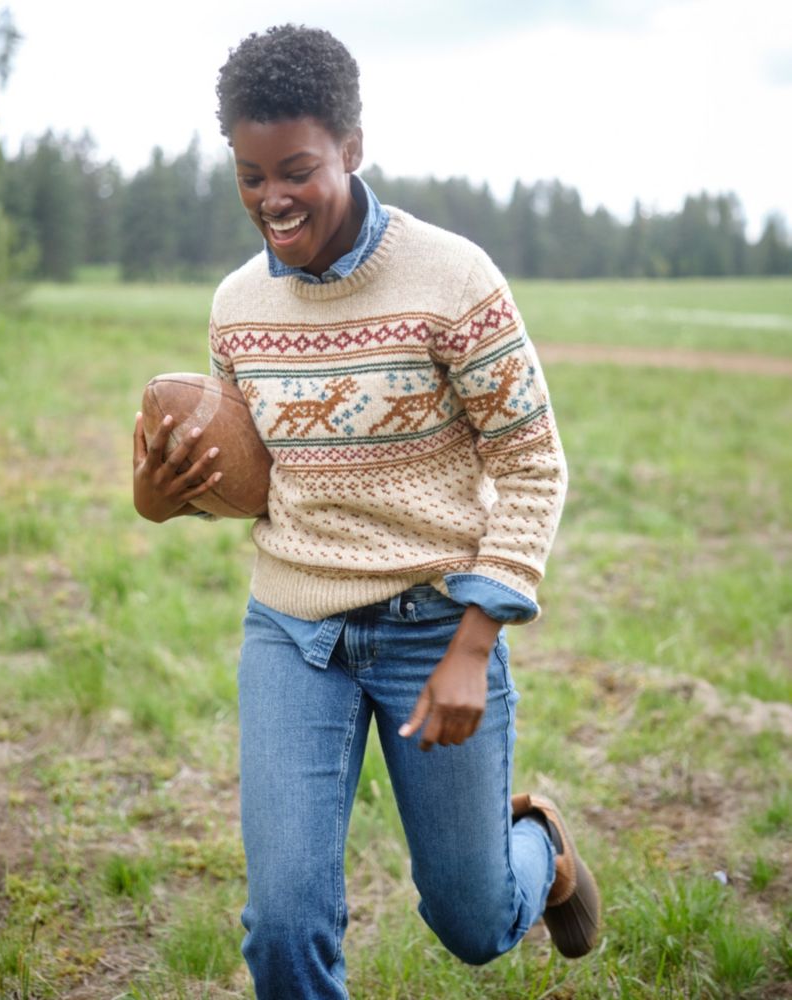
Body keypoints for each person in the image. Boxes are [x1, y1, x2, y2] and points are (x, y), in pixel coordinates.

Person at [133, 23, 600, 1000]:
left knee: (472, 923)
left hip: (435, 628)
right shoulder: (235, 306)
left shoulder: (453, 280)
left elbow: (533, 464)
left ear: (351, 145)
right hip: (292, 632)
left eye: (296, 169)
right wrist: (158, 497)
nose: (273, 199)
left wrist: (475, 641)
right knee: (284, 927)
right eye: (250, 175)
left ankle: (541, 852)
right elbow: (256, 478)